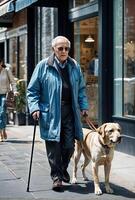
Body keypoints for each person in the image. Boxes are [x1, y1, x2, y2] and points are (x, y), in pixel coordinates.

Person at [27, 36, 89, 191]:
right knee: (53, 147)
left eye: (66, 48)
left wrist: (84, 106)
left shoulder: (74, 66)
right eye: (60, 48)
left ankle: (62, 169)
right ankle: (57, 177)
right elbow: (32, 91)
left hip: (70, 111)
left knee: (69, 146)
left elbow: (81, 89)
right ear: (53, 49)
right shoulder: (43, 66)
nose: (63, 51)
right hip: (51, 113)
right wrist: (34, 108)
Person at [0, 59, 18, 141]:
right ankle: (1, 131)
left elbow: (13, 82)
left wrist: (15, 91)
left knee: (2, 113)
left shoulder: (6, 71)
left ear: (1, 63)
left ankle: (2, 130)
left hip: (4, 94)